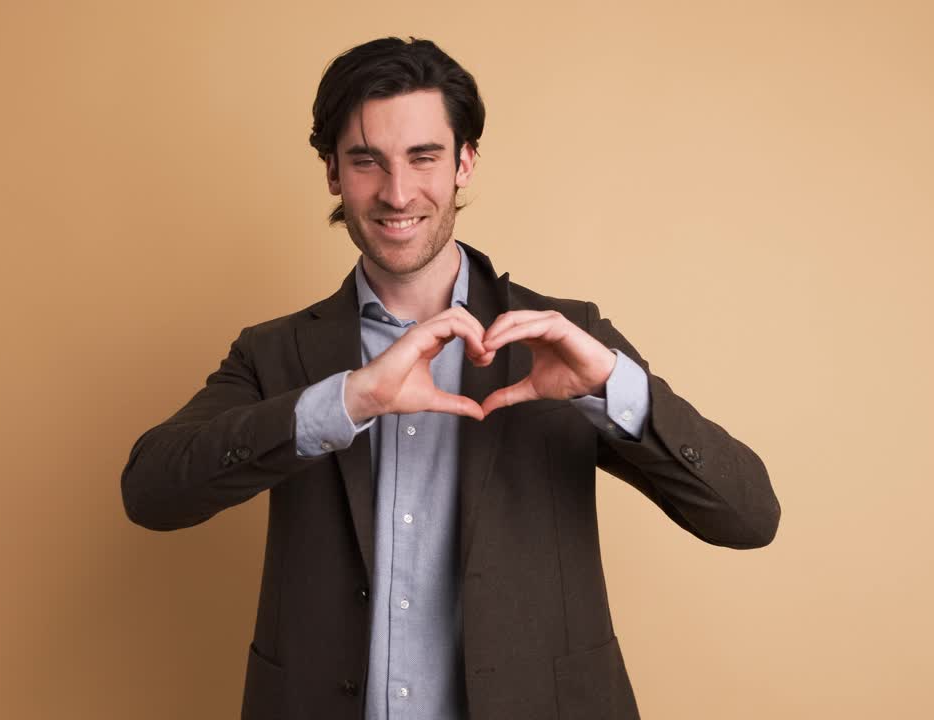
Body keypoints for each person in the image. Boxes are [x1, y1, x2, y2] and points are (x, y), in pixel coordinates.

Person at [121, 36, 781, 720]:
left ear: (465, 162)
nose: (397, 192)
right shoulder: (275, 352)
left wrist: (611, 388)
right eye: (366, 160)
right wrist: (347, 400)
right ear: (332, 172)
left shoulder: (563, 339)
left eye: (424, 157)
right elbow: (151, 492)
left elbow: (748, 517)